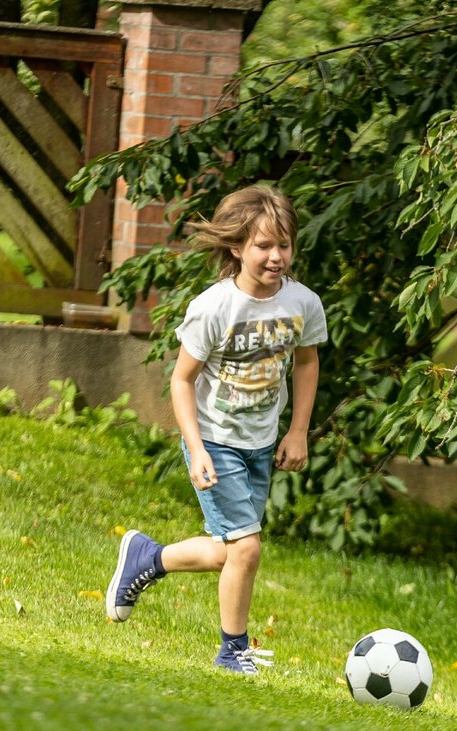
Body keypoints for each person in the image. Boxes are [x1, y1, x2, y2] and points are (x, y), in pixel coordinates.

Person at [106, 184, 327, 674]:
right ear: (236, 247)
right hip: (216, 440)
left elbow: (307, 364)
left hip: (261, 443)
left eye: (284, 245)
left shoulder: (303, 303)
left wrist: (299, 431)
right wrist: (196, 448)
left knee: (229, 549)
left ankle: (148, 557)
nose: (276, 257)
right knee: (247, 548)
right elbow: (181, 381)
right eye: (263, 246)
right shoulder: (214, 307)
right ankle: (233, 651)